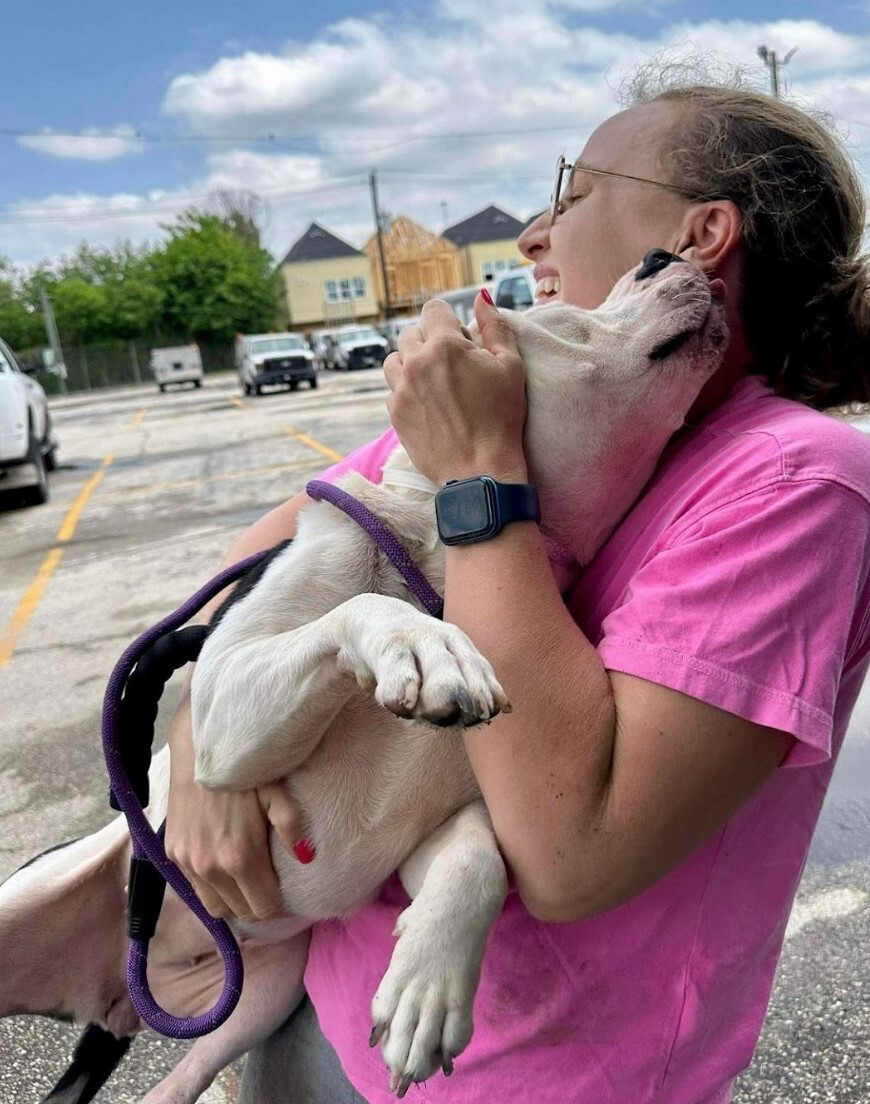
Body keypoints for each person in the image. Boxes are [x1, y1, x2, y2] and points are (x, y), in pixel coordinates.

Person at [164, 65, 870, 1104]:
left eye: (574, 194)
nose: (537, 234)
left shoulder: (796, 484)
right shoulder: (535, 399)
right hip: (325, 999)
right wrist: (198, 747)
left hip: (531, 1076)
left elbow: (569, 847)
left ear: (702, 236)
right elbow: (252, 572)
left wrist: (481, 478)